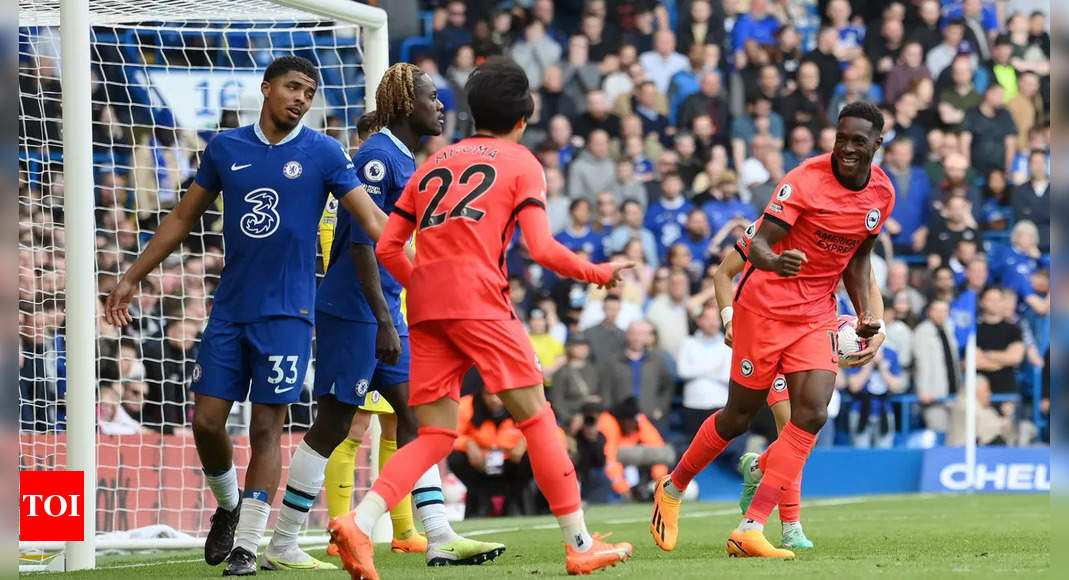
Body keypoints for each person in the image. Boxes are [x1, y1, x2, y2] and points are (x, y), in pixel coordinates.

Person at [328, 57, 634, 580]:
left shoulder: (432, 163)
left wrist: (420, 281)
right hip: (481, 304)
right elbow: (541, 248)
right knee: (537, 419)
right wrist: (597, 272)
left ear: (472, 113)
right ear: (524, 118)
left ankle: (360, 521)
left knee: (435, 435)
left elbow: (389, 248)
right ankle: (579, 544)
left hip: (425, 310)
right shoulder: (521, 162)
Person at [102, 56, 390, 574]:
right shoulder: (225, 148)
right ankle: (229, 506)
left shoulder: (323, 152)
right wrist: (131, 276)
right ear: (266, 88)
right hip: (230, 310)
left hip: (289, 313)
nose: (301, 98)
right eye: (293, 87)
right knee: (207, 421)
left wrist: (425, 254)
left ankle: (248, 546)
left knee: (265, 426)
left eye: (309, 91)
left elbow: (371, 218)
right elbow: (182, 219)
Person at [263, 64, 504, 571]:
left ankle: (438, 535)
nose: (440, 106)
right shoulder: (377, 157)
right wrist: (385, 319)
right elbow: (360, 247)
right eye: (431, 98)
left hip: (383, 310)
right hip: (355, 314)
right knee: (333, 425)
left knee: (416, 416)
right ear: (404, 105)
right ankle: (283, 541)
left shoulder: (403, 157)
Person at [650, 102, 894, 558]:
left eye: (857, 141)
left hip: (817, 315)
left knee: (812, 414)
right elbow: (757, 243)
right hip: (763, 310)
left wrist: (867, 317)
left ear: (877, 145)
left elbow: (859, 260)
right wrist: (774, 262)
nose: (846, 148)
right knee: (738, 417)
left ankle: (752, 526)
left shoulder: (881, 194)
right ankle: (674, 483)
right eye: (840, 138)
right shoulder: (802, 180)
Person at [711, 216, 885, 549]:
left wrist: (879, 329)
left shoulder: (845, 237)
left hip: (810, 340)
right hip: (765, 336)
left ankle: (759, 467)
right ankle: (790, 527)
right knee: (791, 426)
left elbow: (870, 285)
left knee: (803, 432)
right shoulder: (769, 230)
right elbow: (723, 274)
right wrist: (728, 319)